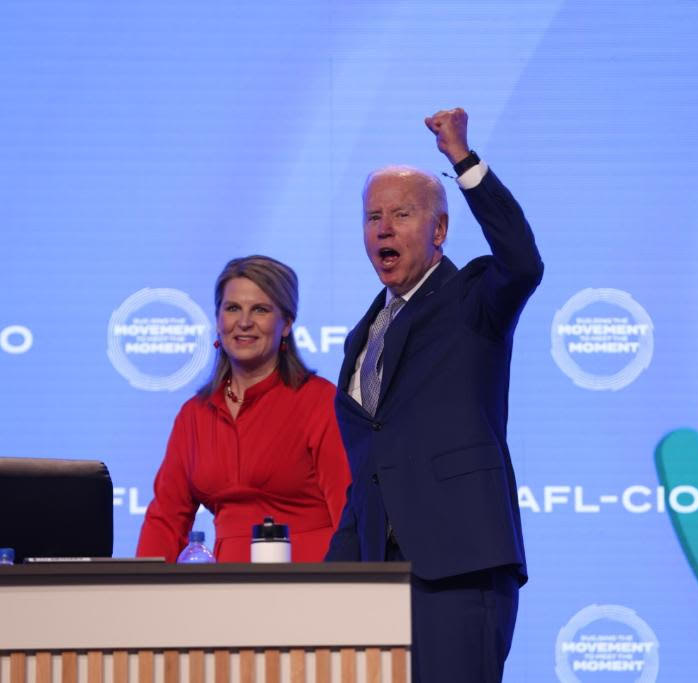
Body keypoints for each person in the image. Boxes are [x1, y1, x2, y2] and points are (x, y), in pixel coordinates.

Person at [325, 109, 543, 683]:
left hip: (459, 567)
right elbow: (369, 467)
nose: (384, 228)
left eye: (401, 214)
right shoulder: (362, 335)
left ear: (439, 229)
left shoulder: (475, 299)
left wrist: (463, 162)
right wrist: (330, 579)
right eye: (373, 217)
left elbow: (523, 261)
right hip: (377, 577)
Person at [137, 255, 351, 562]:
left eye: (261, 309)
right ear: (218, 318)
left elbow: (350, 514)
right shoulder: (194, 415)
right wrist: (141, 591)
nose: (244, 322)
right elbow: (165, 521)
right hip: (225, 592)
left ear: (286, 324)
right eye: (233, 308)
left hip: (312, 586)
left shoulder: (318, 401)